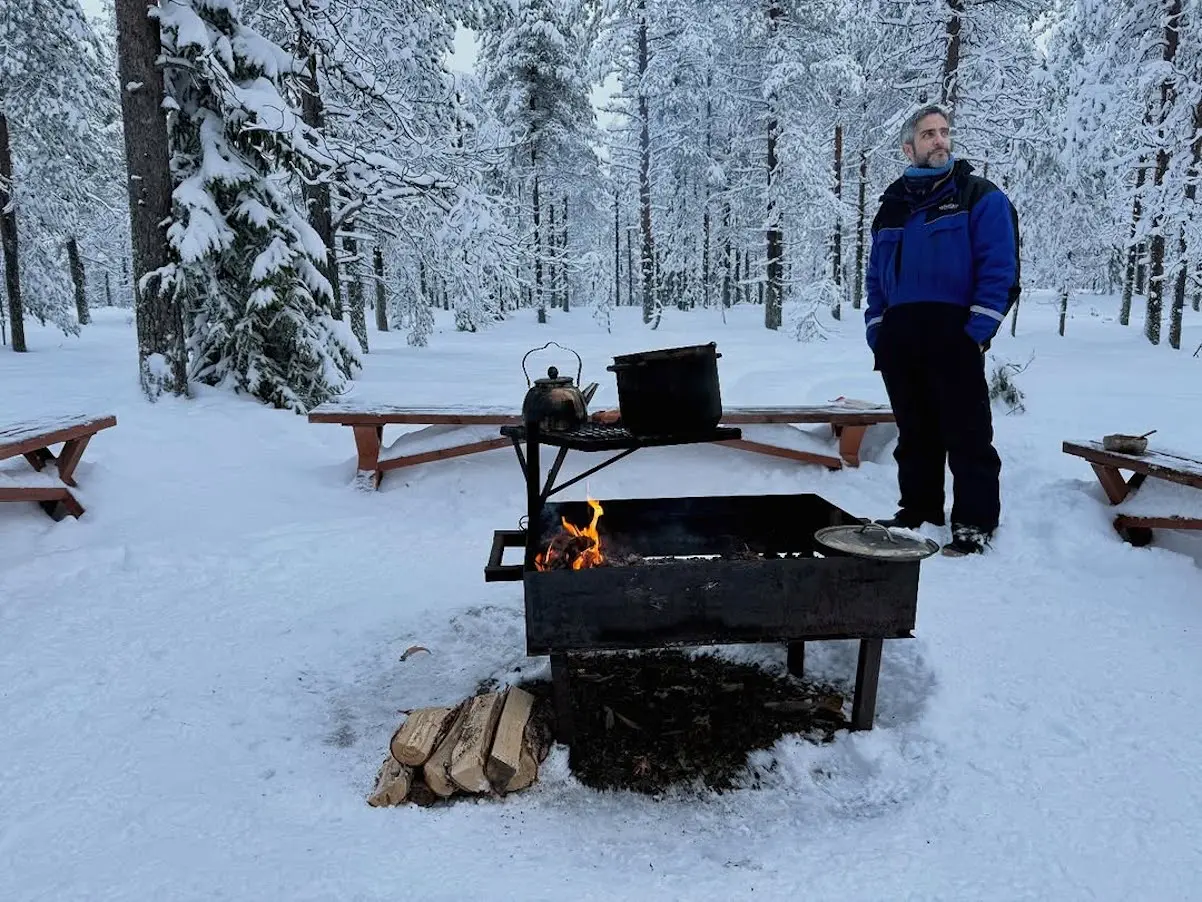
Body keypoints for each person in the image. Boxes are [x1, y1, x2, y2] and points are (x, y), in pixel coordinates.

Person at [864, 104, 1020, 556]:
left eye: (944, 132)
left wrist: (976, 330)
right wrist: (879, 328)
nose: (939, 140)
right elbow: (875, 277)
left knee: (966, 432)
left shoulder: (978, 196)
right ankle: (919, 509)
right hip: (901, 335)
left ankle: (973, 523)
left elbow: (1000, 268)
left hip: (953, 331)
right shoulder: (892, 205)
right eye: (928, 134)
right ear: (908, 147)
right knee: (914, 434)